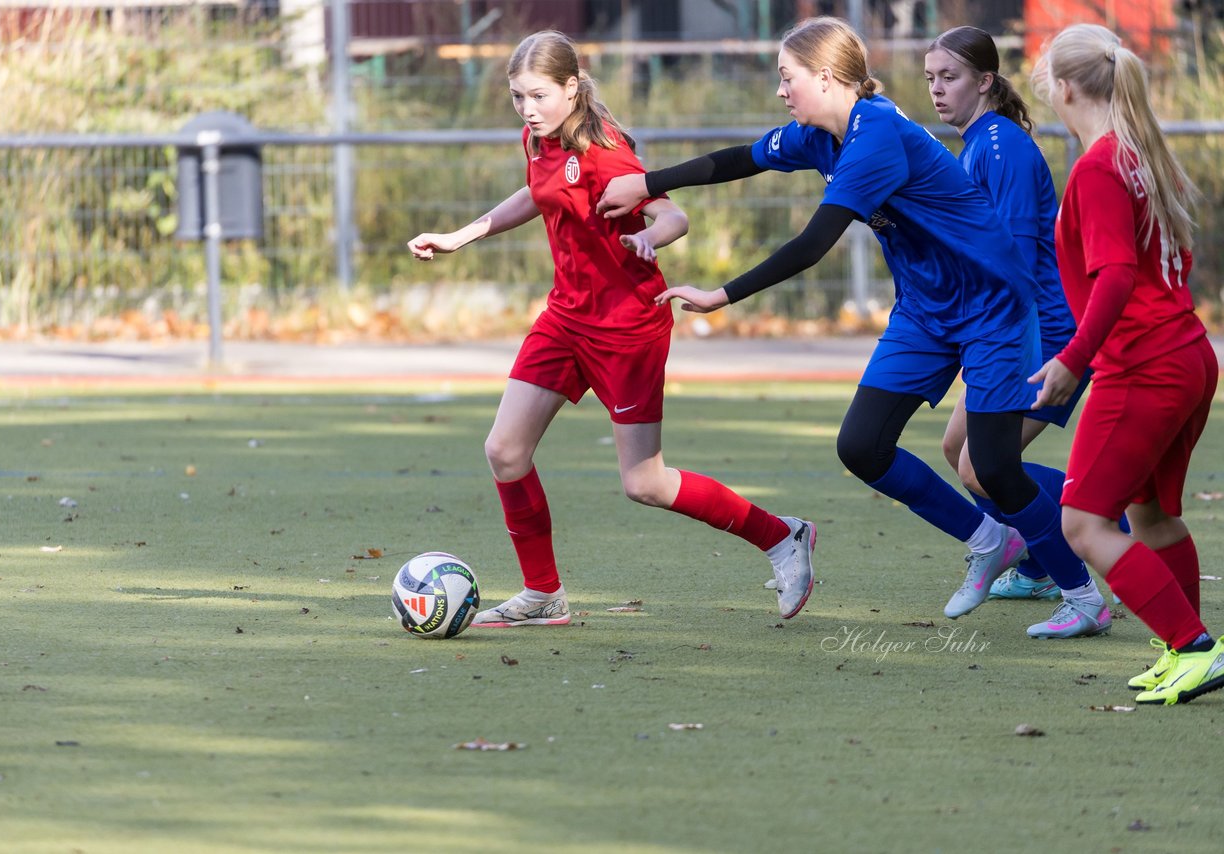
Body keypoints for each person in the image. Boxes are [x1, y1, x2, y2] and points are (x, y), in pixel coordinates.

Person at [597, 16, 1108, 637]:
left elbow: (813, 244)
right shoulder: (819, 135)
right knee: (861, 447)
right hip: (925, 311)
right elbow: (741, 159)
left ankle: (1084, 598)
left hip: (992, 306)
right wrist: (647, 182)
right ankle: (989, 539)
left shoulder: (877, 137)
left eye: (788, 78)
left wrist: (723, 293)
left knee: (994, 466)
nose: (781, 91)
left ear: (828, 77)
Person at [407, 30, 815, 627]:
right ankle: (543, 595)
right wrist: (459, 236)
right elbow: (538, 192)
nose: (527, 109)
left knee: (645, 483)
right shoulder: (537, 138)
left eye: (539, 96)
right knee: (505, 450)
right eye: (517, 97)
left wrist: (648, 236)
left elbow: (673, 213)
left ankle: (783, 536)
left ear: (572, 89)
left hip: (627, 329)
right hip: (565, 318)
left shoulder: (607, 153)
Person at [1031, 24, 1223, 704]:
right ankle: (1185, 650)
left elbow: (1113, 277)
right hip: (1187, 354)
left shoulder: (1098, 166)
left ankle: (1196, 648)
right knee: (1151, 517)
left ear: (1064, 88)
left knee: (1080, 523)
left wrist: (1071, 360)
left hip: (1143, 365)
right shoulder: (1141, 154)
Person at [925, 26, 1115, 616]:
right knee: (959, 447)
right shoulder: (980, 142)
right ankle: (1035, 566)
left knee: (985, 467)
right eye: (930, 77)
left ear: (985, 82)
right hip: (1009, 327)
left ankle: (1106, 509)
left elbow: (1006, 257)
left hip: (1041, 331)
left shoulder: (1000, 146)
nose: (936, 89)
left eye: (949, 77)